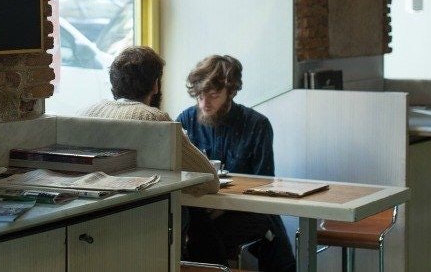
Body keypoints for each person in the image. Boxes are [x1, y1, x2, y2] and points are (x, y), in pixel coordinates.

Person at [177, 55, 296, 272]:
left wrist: (222, 208)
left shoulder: (256, 125)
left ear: (231, 92)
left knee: (275, 247)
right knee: (197, 232)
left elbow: (264, 184)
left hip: (246, 211)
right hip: (199, 210)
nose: (205, 104)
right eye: (200, 96)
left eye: (214, 96)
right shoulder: (186, 121)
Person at [80, 46, 219, 197]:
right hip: (145, 213)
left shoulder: (84, 113)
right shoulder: (154, 119)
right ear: (155, 85)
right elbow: (210, 181)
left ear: (113, 81)